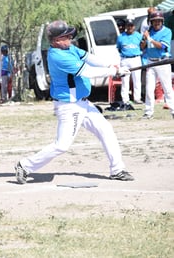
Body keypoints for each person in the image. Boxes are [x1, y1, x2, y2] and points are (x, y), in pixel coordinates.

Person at [14, 20, 134, 184]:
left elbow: (90, 58)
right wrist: (114, 72)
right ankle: (25, 165)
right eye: (66, 36)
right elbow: (88, 71)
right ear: (56, 40)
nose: (70, 38)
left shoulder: (69, 48)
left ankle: (117, 170)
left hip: (83, 103)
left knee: (106, 129)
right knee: (62, 145)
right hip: (69, 106)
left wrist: (112, 65)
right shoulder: (57, 56)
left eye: (70, 35)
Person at [140, 11, 174, 119]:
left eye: (159, 21)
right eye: (154, 21)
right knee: (149, 89)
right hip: (151, 61)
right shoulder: (149, 31)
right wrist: (145, 38)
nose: (157, 23)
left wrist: (149, 38)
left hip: (162, 61)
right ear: (151, 22)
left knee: (167, 88)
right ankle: (148, 112)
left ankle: (173, 110)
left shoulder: (167, 31)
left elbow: (162, 46)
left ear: (162, 21)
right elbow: (142, 47)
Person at [116, 17, 143, 105]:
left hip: (136, 58)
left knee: (137, 80)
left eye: (131, 25)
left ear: (134, 26)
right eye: (128, 25)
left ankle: (137, 98)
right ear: (126, 26)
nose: (130, 27)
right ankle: (125, 99)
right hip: (125, 59)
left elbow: (142, 46)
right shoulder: (121, 37)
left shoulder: (138, 35)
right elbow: (119, 48)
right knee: (125, 80)